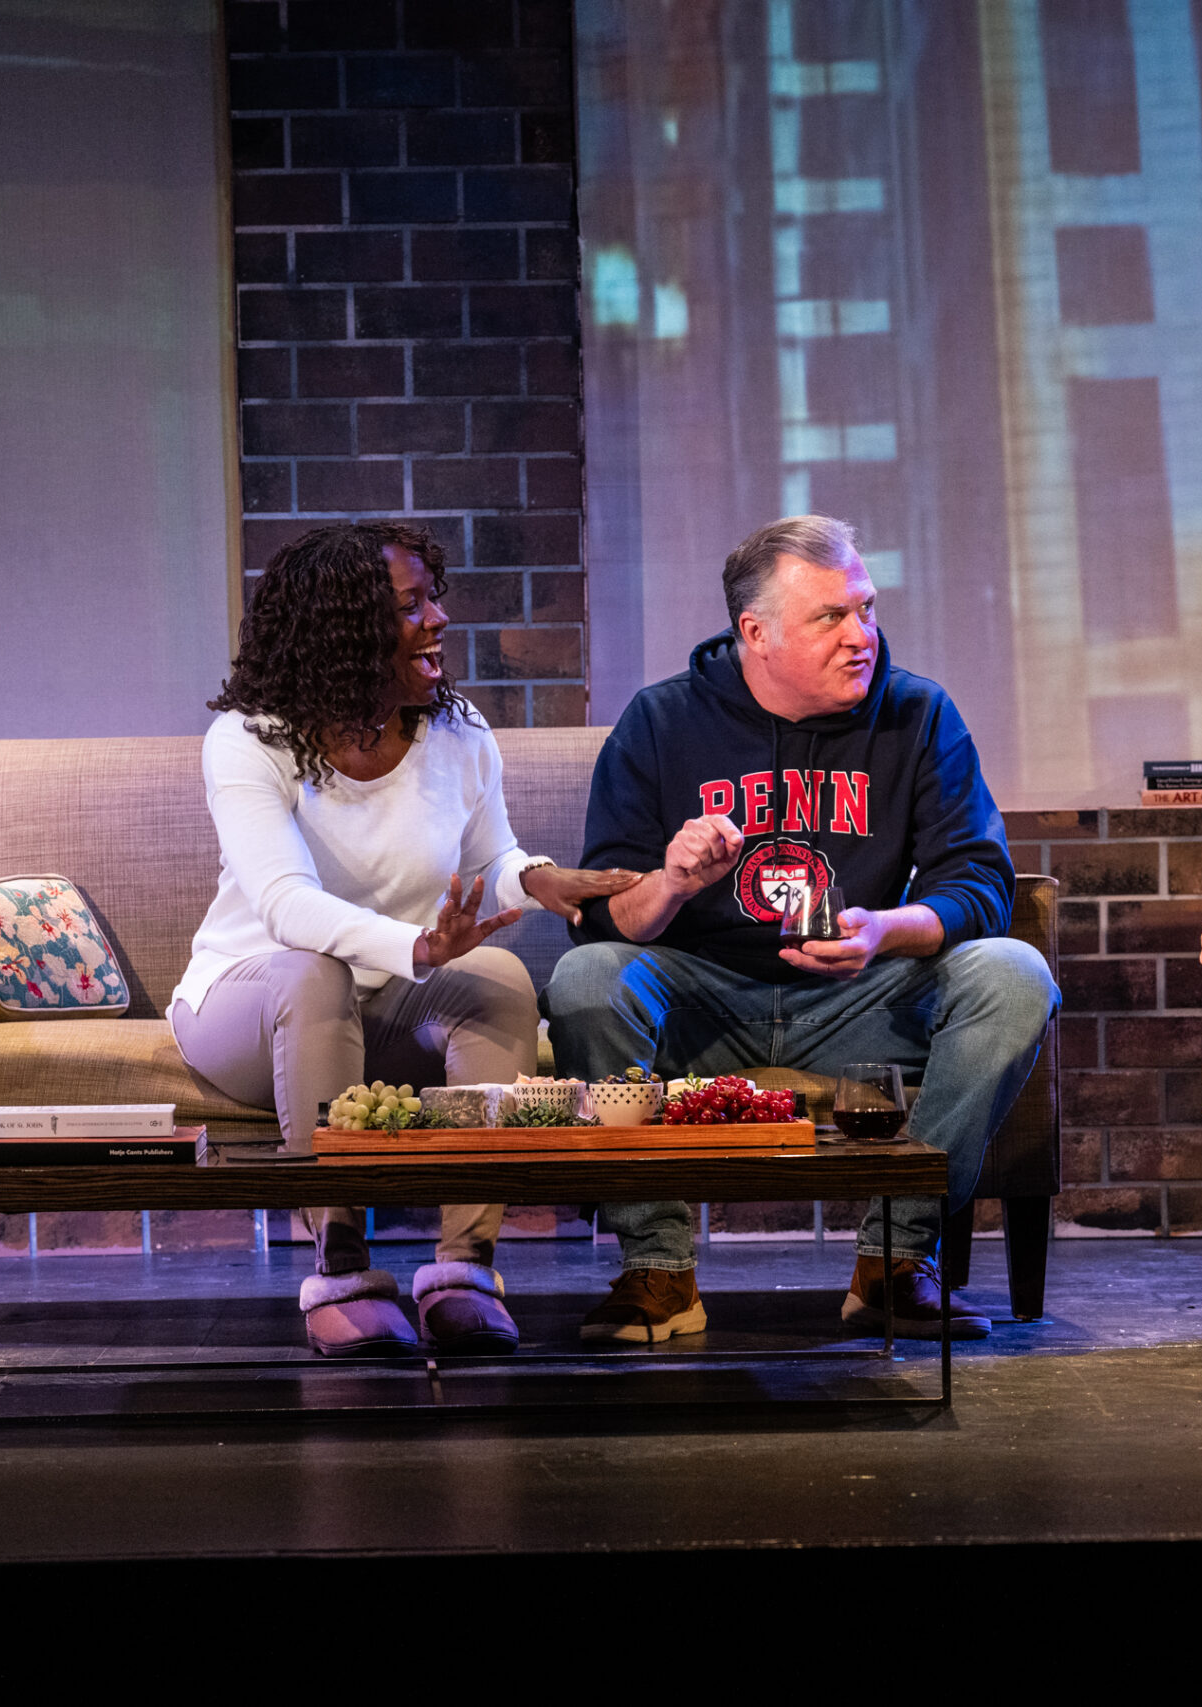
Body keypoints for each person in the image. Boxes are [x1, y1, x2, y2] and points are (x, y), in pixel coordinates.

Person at [545, 514, 1058, 1343]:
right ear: (756, 633)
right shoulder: (661, 722)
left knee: (1014, 974)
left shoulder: (918, 714)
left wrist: (882, 929)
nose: (862, 635)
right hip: (703, 1003)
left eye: (866, 608)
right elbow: (600, 915)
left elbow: (980, 880)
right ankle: (658, 1267)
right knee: (586, 979)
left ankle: (894, 1259)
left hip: (860, 997)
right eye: (831, 617)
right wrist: (672, 883)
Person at [169, 522, 639, 1358]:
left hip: (381, 1006)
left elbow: (489, 857)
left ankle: (464, 1269)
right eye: (411, 604)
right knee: (313, 973)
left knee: (499, 977)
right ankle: (341, 1267)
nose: (439, 618)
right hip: (248, 1006)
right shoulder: (251, 739)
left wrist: (535, 879)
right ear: (344, 627)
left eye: (434, 598)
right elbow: (284, 905)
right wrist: (418, 947)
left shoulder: (458, 730)